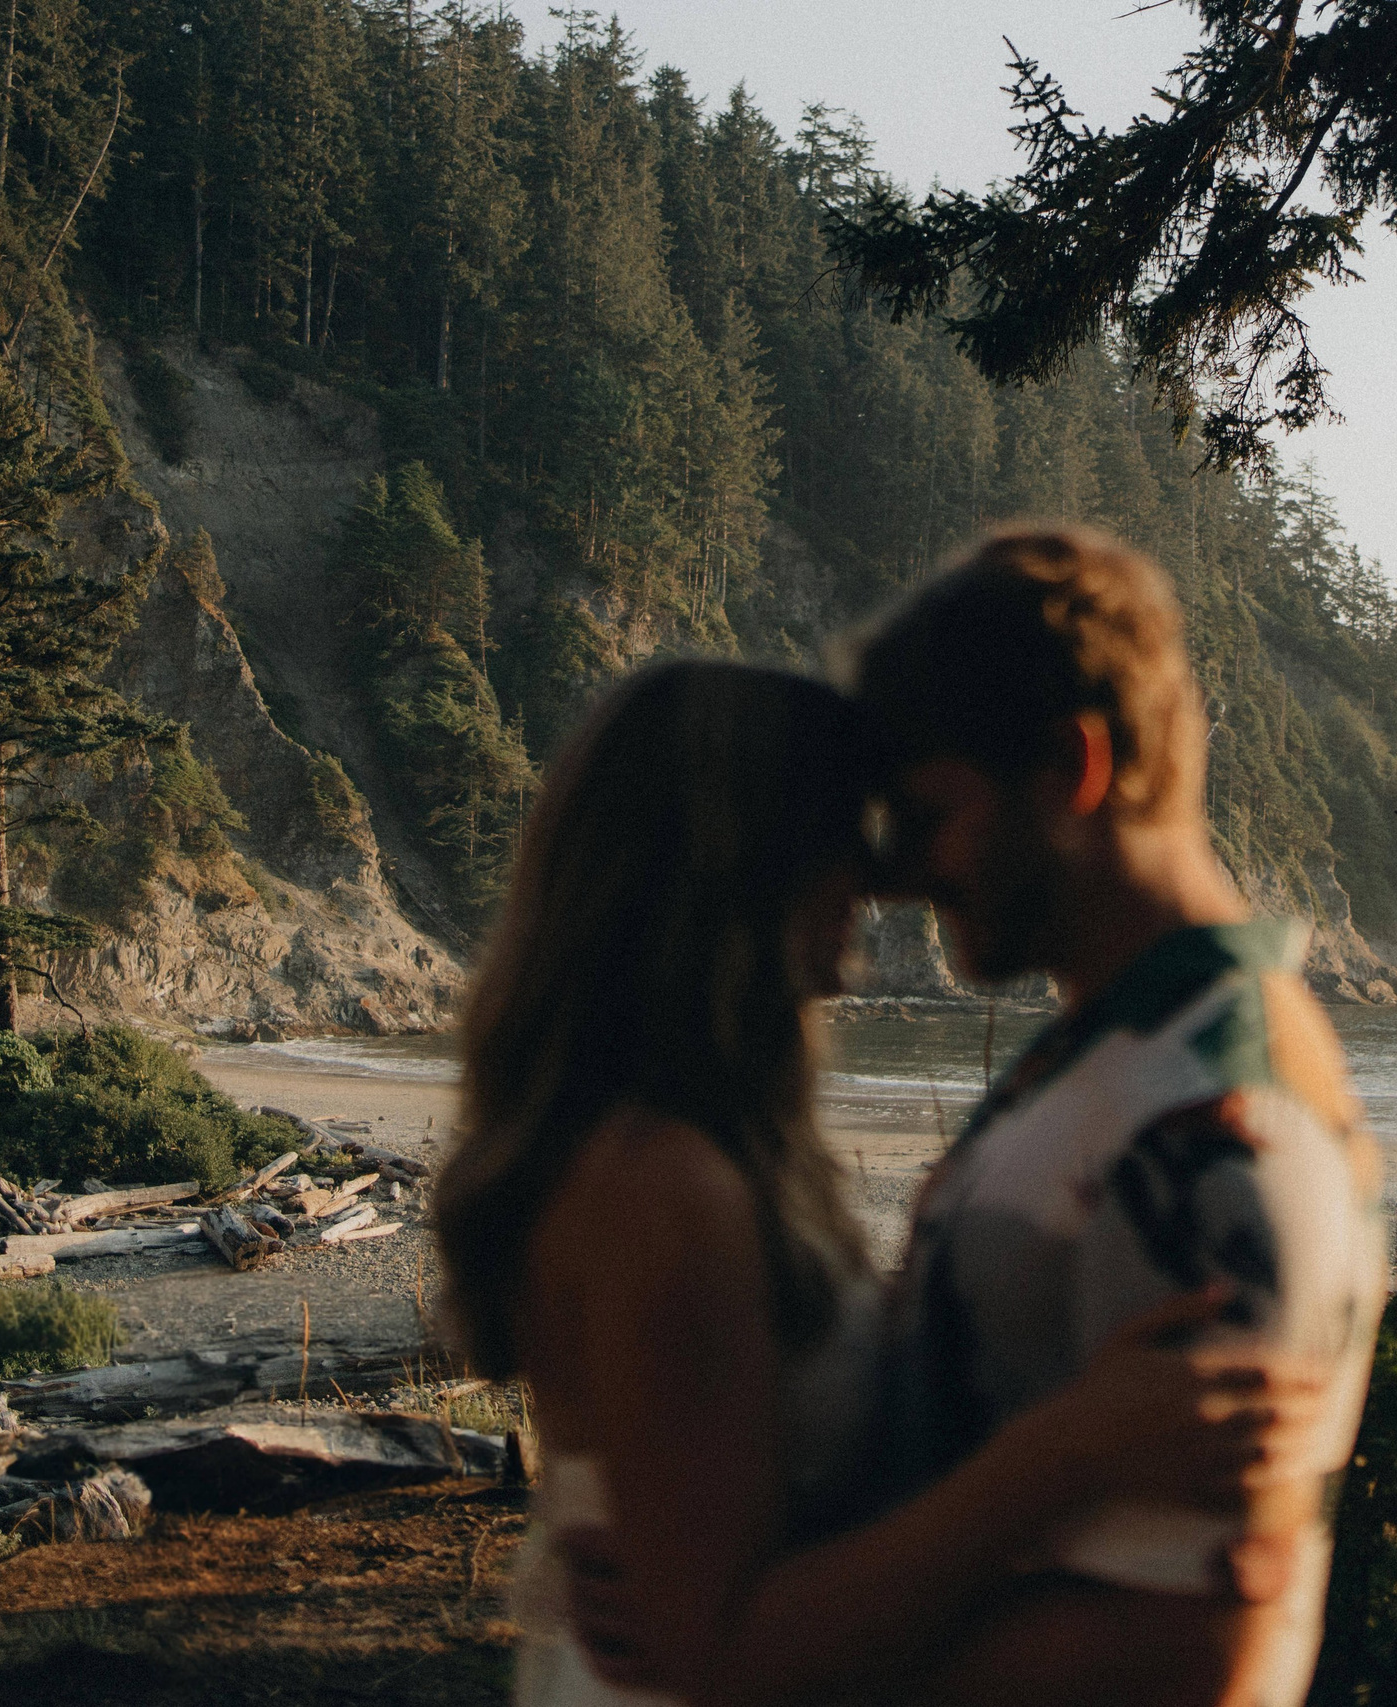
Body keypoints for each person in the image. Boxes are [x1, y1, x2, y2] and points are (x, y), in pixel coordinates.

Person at [430, 659, 1332, 1707]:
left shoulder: (687, 1152)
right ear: (742, 863)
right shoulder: (660, 1183)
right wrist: (1066, 1454)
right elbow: (723, 1654)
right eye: (845, 833)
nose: (881, 878)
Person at [832, 525, 1390, 1707]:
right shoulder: (1117, 1056)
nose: (902, 873)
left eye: (928, 814)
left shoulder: (1208, 1121)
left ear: (1071, 768)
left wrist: (767, 1653)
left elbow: (1200, 1658)